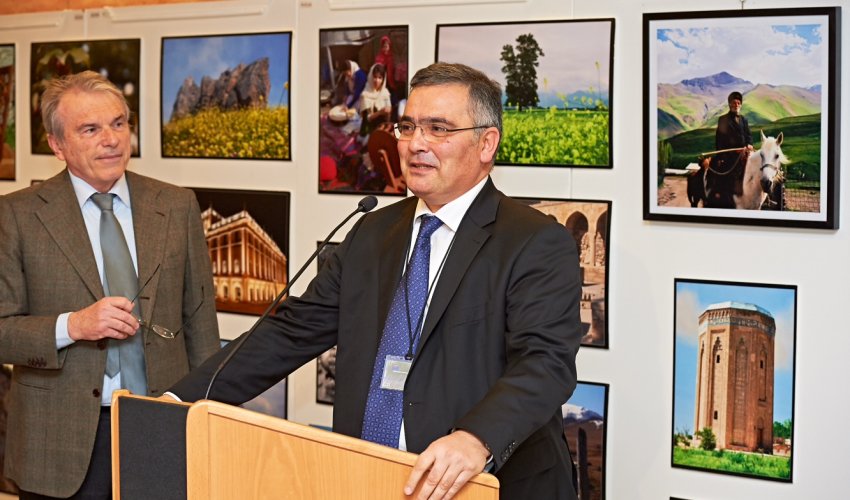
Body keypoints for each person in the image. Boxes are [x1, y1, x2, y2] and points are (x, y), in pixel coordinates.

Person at [167, 62, 581, 499]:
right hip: (368, 479)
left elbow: (546, 363)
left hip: (485, 486)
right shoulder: (372, 230)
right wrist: (180, 402)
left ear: (486, 143)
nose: (415, 144)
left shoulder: (534, 241)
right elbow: (292, 330)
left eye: (438, 128)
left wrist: (475, 439)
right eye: (408, 126)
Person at [0, 71, 220, 499]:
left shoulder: (176, 205)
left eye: (119, 123)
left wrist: (209, 413)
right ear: (56, 144)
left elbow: (201, 322)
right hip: (57, 441)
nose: (112, 139)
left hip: (162, 425)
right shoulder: (17, 216)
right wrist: (73, 326)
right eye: (91, 129)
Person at [707, 90, 753, 208]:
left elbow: (748, 136)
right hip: (729, 157)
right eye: (734, 103)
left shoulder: (744, 120)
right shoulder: (723, 119)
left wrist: (749, 144)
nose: (736, 105)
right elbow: (720, 140)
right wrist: (723, 156)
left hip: (744, 155)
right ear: (729, 104)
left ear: (741, 105)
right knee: (726, 180)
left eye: (738, 103)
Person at [359, 63, 392, 138]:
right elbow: (367, 119)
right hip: (369, 126)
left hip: (383, 124)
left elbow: (388, 114)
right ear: (371, 77)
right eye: (375, 77)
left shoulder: (385, 92)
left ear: (383, 79)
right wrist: (380, 112)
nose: (377, 80)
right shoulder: (365, 94)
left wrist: (388, 112)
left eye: (380, 78)